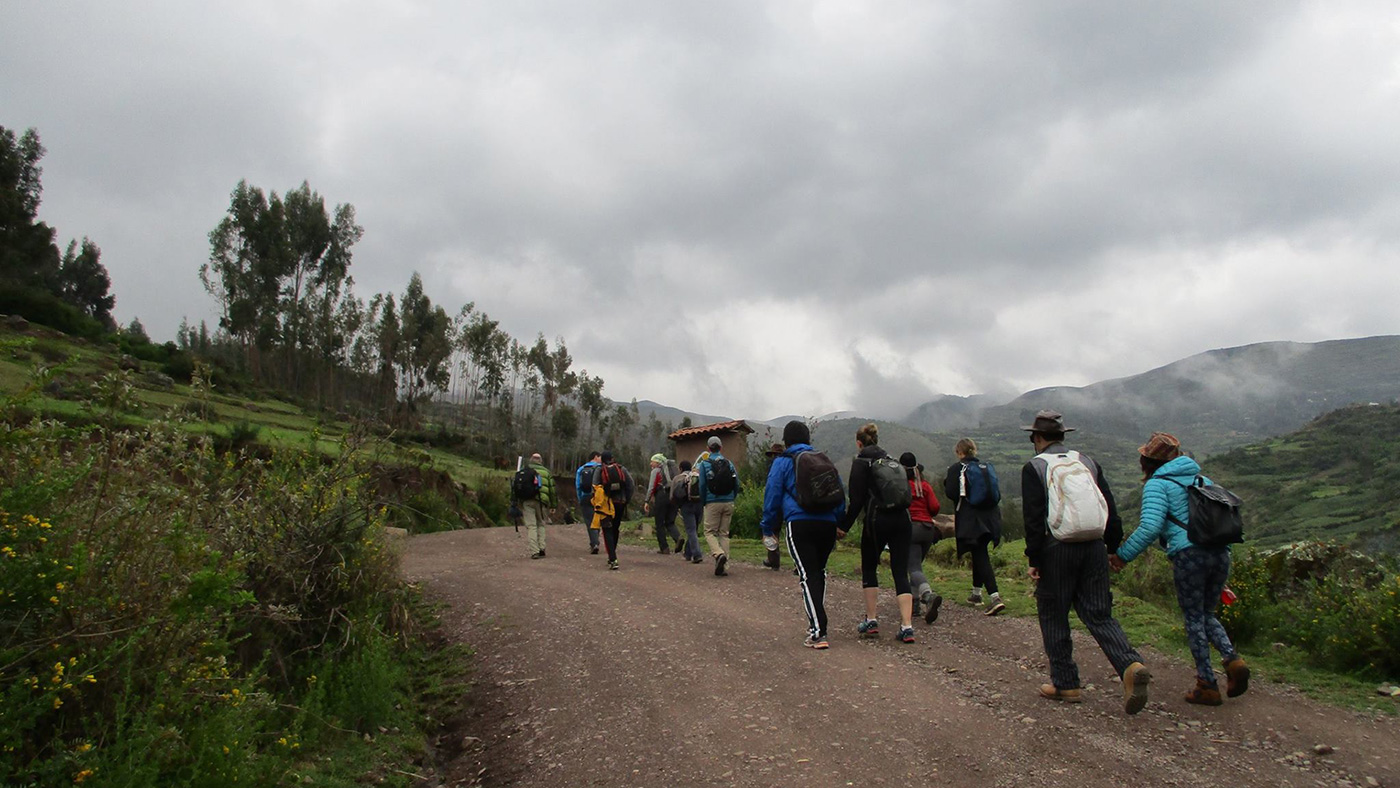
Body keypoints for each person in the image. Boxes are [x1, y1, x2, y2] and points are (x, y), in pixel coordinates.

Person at [1021, 410, 1150, 714]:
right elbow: (1111, 507)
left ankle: (1066, 683)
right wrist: (1112, 547)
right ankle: (1130, 665)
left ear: (1037, 438)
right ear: (1064, 435)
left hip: (1058, 549)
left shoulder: (1035, 467)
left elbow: (1033, 518)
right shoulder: (1087, 461)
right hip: (1094, 546)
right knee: (1099, 613)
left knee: (1053, 613)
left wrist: (1035, 558)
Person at [1111, 432, 1250, 706]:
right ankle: (1232, 660)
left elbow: (1150, 527)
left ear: (1146, 460)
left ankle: (1207, 684)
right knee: (1207, 613)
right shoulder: (1204, 480)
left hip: (1190, 556)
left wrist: (1123, 556)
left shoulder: (1157, 485)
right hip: (1220, 553)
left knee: (1193, 618)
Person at [761, 421, 847, 648]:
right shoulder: (822, 459)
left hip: (799, 523)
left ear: (787, 441)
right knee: (818, 572)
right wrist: (838, 521)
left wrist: (767, 527)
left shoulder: (783, 462)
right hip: (827, 524)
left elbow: (772, 495)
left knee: (808, 575)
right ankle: (817, 623)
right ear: (808, 438)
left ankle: (818, 631)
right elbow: (838, 492)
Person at [838, 423, 916, 644]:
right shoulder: (892, 460)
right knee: (901, 571)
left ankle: (871, 620)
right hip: (903, 519)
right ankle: (907, 626)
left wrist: (843, 525)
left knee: (870, 566)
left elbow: (857, 501)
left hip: (877, 520)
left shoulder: (861, 463)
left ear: (859, 443)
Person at [943, 438, 1006, 617]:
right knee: (980, 551)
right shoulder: (985, 468)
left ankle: (995, 597)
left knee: (980, 554)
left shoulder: (958, 468)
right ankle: (976, 594)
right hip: (991, 517)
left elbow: (951, 493)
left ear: (959, 452)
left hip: (972, 518)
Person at [900, 453, 943, 624]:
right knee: (916, 566)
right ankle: (914, 605)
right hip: (928, 530)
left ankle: (928, 595)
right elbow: (935, 507)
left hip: (911, 529)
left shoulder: (902, 486)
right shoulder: (924, 486)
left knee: (913, 567)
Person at [697, 436, 741, 576]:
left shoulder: (704, 464)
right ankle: (724, 565)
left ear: (708, 449)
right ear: (721, 448)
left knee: (709, 532)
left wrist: (704, 501)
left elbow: (702, 485)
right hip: (728, 502)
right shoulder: (729, 463)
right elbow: (737, 484)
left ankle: (718, 554)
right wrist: (731, 497)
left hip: (712, 502)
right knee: (724, 534)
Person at [592, 451, 635, 570]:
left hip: (606, 505)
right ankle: (613, 553)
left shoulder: (599, 470)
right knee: (615, 528)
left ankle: (612, 558)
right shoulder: (621, 469)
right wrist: (626, 500)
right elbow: (631, 485)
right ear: (612, 458)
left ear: (602, 460)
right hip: (620, 503)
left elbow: (595, 487)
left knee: (607, 530)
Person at [516, 452, 557, 559]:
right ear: (541, 461)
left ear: (530, 460)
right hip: (541, 502)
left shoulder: (523, 471)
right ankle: (542, 547)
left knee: (531, 526)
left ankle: (534, 551)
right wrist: (553, 505)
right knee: (541, 524)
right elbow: (552, 490)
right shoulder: (546, 472)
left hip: (527, 501)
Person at [644, 453, 683, 555]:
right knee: (670, 521)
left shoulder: (656, 471)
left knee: (659, 523)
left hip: (662, 496)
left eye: (652, 461)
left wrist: (646, 501)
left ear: (657, 462)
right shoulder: (672, 469)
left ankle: (664, 548)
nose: (650, 463)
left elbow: (651, 487)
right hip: (673, 496)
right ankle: (678, 537)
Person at [671, 460, 706, 564]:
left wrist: (677, 506)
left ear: (680, 468)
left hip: (686, 506)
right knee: (693, 530)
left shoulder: (677, 478)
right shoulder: (698, 476)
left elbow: (672, 496)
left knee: (691, 530)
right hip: (699, 505)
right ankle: (687, 553)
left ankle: (697, 555)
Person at [575, 451, 602, 555]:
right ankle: (596, 541)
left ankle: (594, 543)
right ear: (595, 457)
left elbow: (578, 485)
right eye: (600, 457)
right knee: (598, 519)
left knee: (589, 521)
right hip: (599, 498)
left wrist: (580, 498)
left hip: (586, 497)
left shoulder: (581, 469)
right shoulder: (601, 468)